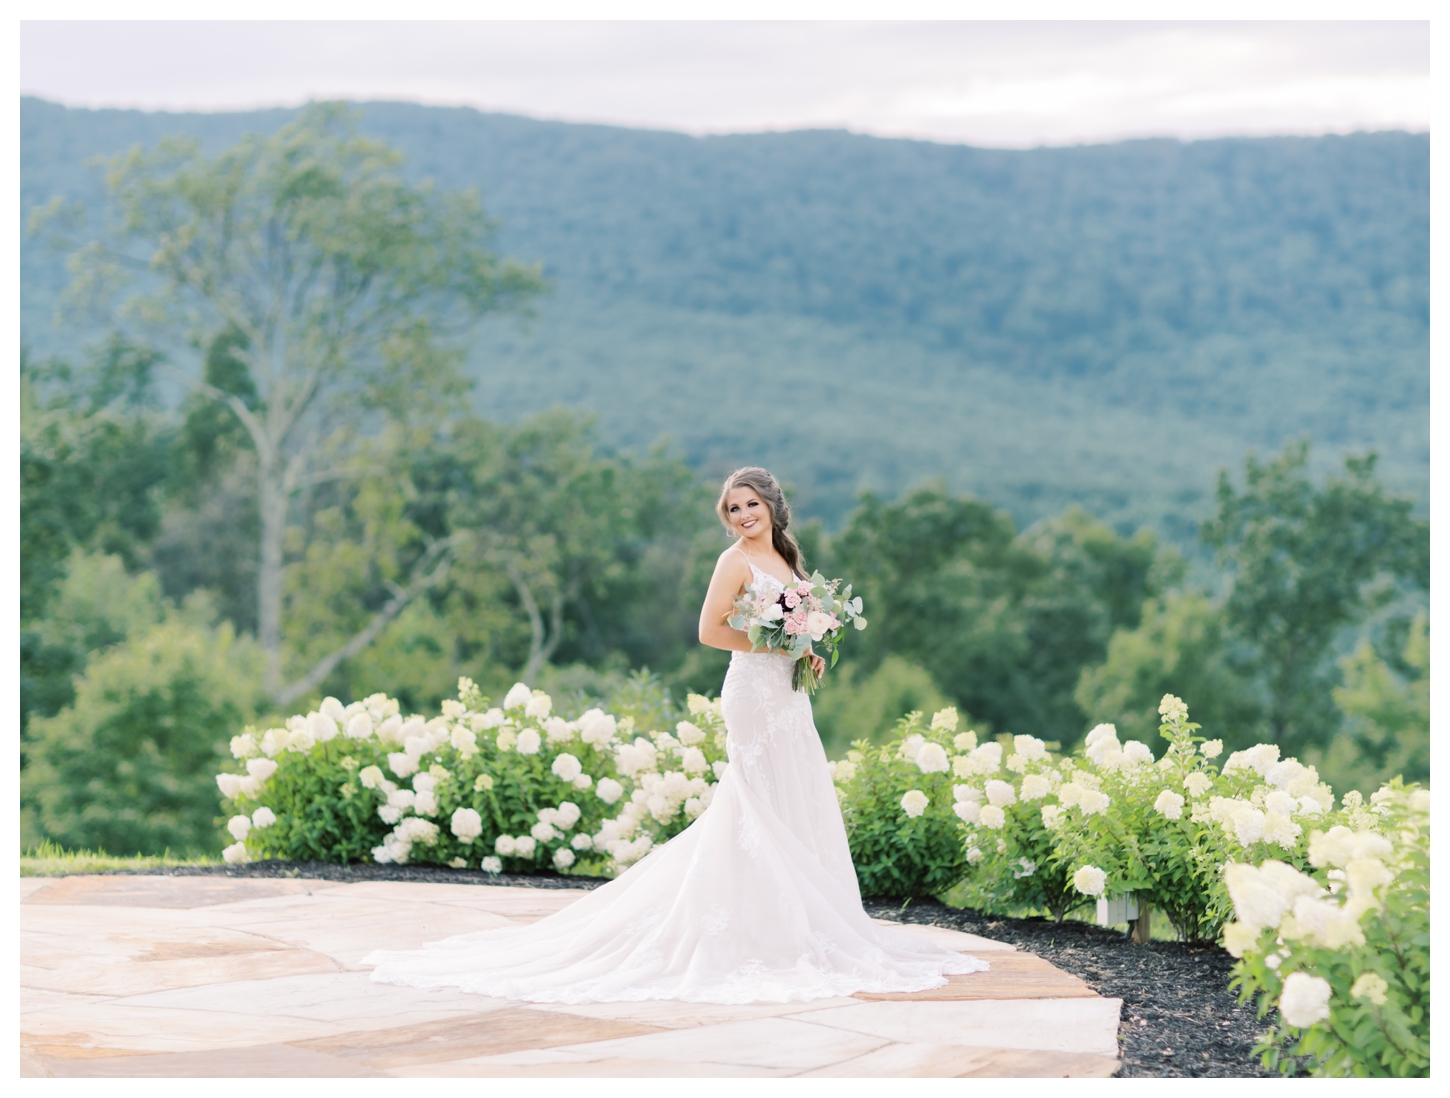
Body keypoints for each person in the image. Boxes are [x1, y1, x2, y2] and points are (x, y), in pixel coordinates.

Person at [363, 466, 986, 1003]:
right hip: (750, 691)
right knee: (754, 802)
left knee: (795, 796)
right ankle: (749, 928)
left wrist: (805, 651)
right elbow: (710, 631)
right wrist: (773, 643)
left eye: (750, 504)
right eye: (732, 507)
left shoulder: (788, 558)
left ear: (772, 505)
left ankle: (794, 923)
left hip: (789, 696)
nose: (742, 514)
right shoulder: (732, 561)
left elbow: (797, 624)